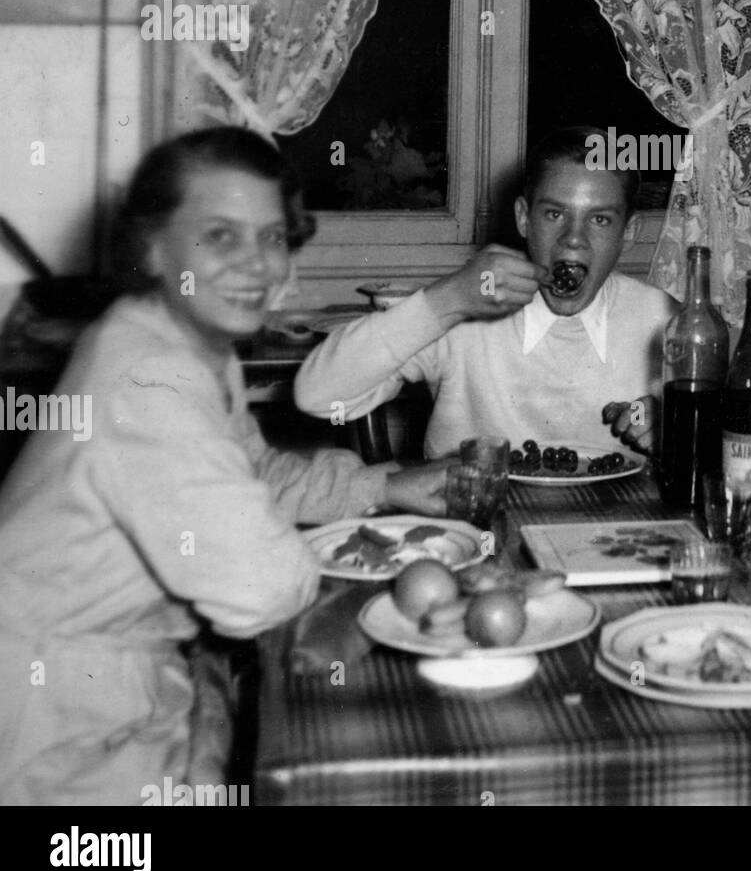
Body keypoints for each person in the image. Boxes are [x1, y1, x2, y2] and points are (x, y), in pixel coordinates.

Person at [0, 127, 449, 806]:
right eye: (220, 236)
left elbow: (253, 472)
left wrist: (384, 484)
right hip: (56, 727)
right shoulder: (147, 372)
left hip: (123, 687)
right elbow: (261, 588)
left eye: (272, 237)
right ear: (152, 247)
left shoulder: (179, 339)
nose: (257, 263)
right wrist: (379, 594)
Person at [295, 125, 679, 458]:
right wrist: (447, 300)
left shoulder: (664, 320)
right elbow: (316, 397)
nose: (573, 240)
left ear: (628, 233)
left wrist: (676, 425)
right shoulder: (464, 305)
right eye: (554, 214)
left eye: (599, 219)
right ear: (523, 219)